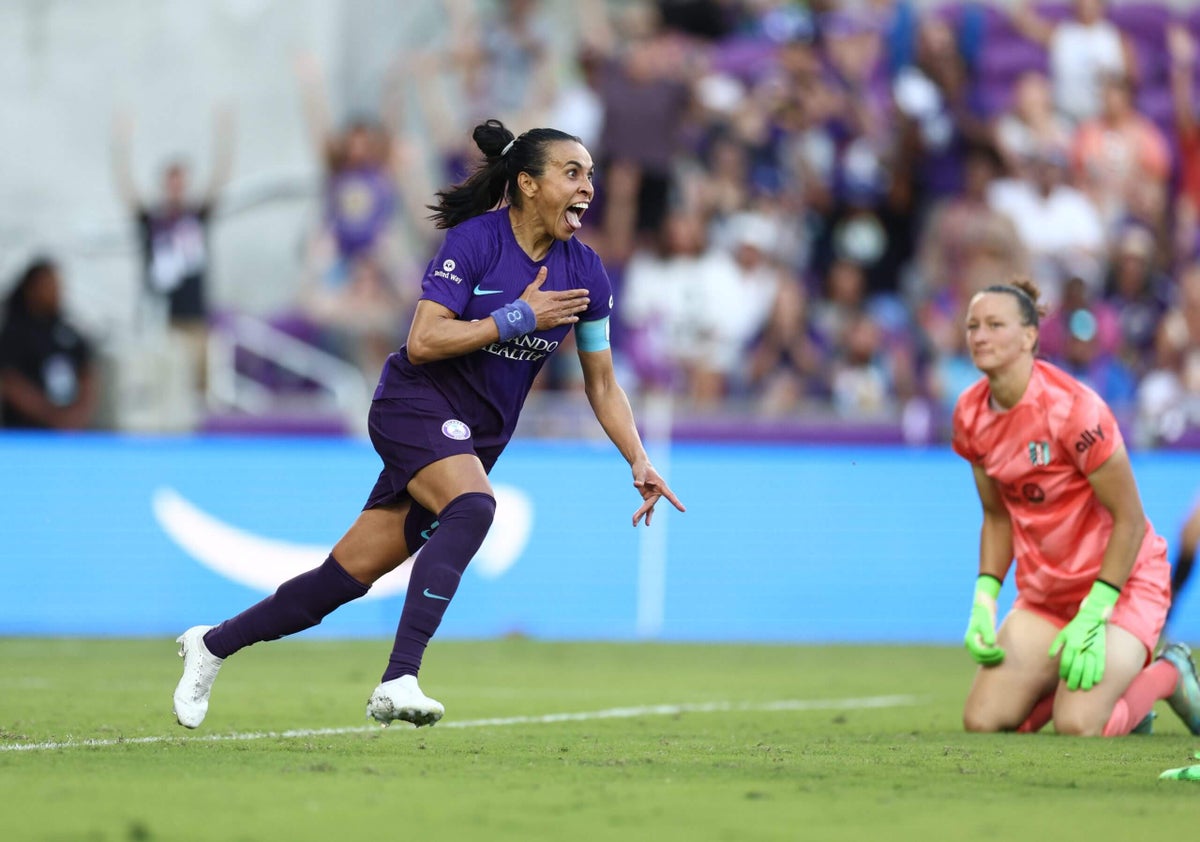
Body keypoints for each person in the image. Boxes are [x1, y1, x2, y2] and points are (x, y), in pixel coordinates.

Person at [172, 118, 686, 729]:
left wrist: (638, 457)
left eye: (591, 176)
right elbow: (422, 340)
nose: (588, 188)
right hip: (412, 406)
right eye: (572, 173)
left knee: (341, 580)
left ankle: (211, 645)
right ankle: (399, 678)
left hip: (474, 438)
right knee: (473, 507)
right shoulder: (475, 243)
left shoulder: (587, 274)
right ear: (526, 183)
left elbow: (601, 381)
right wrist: (519, 316)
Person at [951, 277, 1200, 737]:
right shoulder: (970, 414)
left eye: (994, 325)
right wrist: (984, 599)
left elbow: (1128, 520)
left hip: (1122, 587)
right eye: (972, 326)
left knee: (1080, 725)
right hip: (1047, 598)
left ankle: (1168, 674)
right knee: (983, 720)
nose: (980, 336)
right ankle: (1107, 691)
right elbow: (997, 514)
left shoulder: (1073, 410)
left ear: (1029, 337)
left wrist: (1096, 610)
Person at [0, 258, 98, 430]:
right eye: (48, 285)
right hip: (24, 432)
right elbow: (9, 381)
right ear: (31, 288)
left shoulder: (70, 333)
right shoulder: (13, 334)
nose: (55, 291)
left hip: (70, 431)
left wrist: (76, 416)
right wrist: (50, 415)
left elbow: (87, 373)